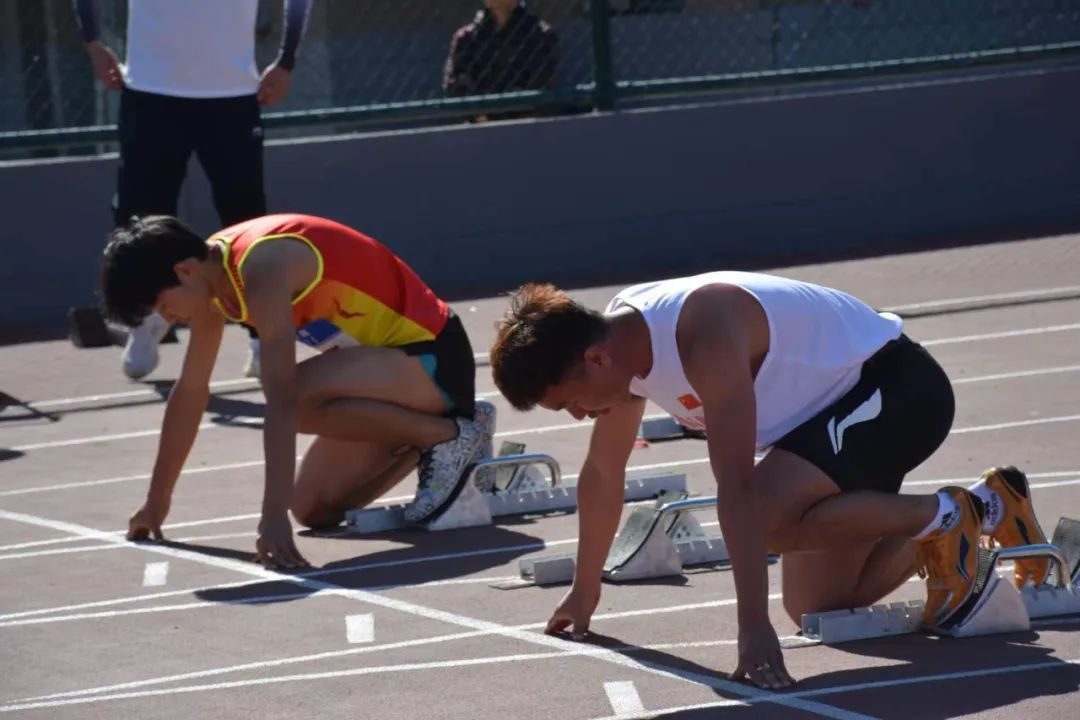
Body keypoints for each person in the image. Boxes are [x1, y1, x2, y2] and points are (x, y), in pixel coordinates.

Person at [489, 272, 1050, 688]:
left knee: (765, 518)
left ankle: (949, 517)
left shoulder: (703, 335)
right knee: (818, 604)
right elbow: (602, 472)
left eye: (570, 402)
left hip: (898, 391)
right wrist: (585, 589)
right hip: (826, 425)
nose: (578, 416)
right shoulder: (621, 347)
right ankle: (987, 505)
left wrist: (752, 626)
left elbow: (739, 489)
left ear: (595, 360)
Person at [100, 213, 495, 568]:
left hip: (435, 358)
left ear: (184, 271)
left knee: (294, 396)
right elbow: (191, 391)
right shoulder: (210, 278)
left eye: (163, 306)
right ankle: (443, 434)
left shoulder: (261, 267)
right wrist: (156, 501)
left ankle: (447, 435)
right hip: (388, 381)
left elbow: (283, 399)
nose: (168, 318)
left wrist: (271, 518)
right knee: (311, 509)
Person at [74, 0, 313, 380]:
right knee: (139, 223)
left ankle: (260, 336)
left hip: (232, 96)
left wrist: (286, 61)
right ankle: (146, 321)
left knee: (246, 220)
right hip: (150, 91)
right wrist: (92, 43)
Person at [443, 0, 559, 122]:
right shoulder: (466, 38)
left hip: (529, 123)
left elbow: (542, 82)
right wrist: (480, 115)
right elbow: (455, 84)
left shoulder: (540, 34)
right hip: (481, 125)